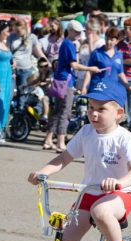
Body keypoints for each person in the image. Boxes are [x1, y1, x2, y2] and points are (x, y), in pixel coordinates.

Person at [28, 80, 131, 241]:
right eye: (91, 107)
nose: (94, 113)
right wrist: (43, 173)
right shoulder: (86, 132)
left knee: (100, 211)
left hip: (117, 196)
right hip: (89, 193)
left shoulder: (124, 138)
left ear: (119, 113)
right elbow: (63, 158)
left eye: (101, 109)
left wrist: (118, 183)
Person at [42, 20, 100, 152]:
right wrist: (90, 68)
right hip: (66, 82)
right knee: (65, 112)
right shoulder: (69, 44)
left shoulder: (66, 43)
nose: (80, 34)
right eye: (77, 32)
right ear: (71, 30)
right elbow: (74, 65)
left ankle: (48, 139)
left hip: (60, 80)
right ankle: (60, 142)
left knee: (56, 111)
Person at [7, 18, 48, 105]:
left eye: (19, 31)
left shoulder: (32, 37)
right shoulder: (11, 37)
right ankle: (9, 114)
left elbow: (39, 52)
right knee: (9, 94)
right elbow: (7, 52)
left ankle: (20, 115)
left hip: (25, 69)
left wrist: (47, 63)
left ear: (25, 28)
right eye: (16, 30)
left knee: (23, 94)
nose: (17, 33)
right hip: (12, 70)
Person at [81, 27, 128, 94]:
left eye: (111, 40)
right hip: (98, 89)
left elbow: (120, 73)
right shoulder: (96, 53)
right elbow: (89, 72)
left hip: (112, 90)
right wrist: (84, 87)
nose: (108, 42)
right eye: (107, 39)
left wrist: (127, 86)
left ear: (117, 41)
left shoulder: (119, 54)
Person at [76, 18, 105, 90]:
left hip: (92, 77)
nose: (84, 32)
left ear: (93, 31)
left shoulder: (101, 43)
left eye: (86, 30)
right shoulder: (84, 42)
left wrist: (90, 42)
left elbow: (94, 58)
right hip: (81, 76)